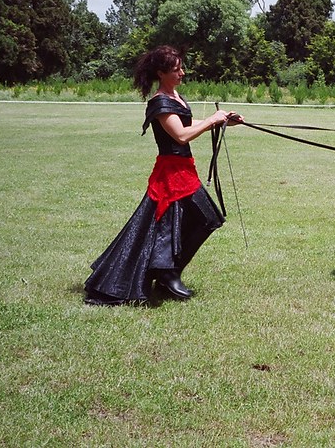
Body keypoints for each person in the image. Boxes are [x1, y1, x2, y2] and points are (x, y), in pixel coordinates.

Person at [84, 45, 242, 305]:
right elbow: (180, 136)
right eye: (176, 69)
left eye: (181, 67)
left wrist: (225, 121)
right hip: (172, 173)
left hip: (184, 168)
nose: (182, 72)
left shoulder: (176, 96)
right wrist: (212, 120)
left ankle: (167, 272)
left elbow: (187, 126)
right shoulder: (159, 102)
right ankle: (168, 273)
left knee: (189, 221)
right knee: (205, 218)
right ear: (161, 72)